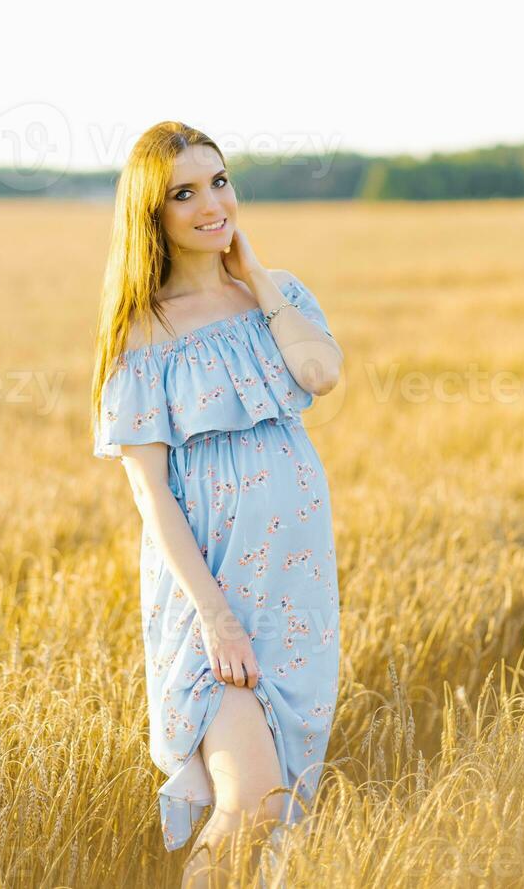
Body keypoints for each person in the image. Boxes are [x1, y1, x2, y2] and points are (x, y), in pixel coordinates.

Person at [91, 121, 343, 887]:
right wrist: (215, 614)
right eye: (185, 192)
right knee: (252, 800)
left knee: (278, 806)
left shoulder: (280, 294)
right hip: (212, 597)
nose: (211, 204)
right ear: (153, 214)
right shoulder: (143, 331)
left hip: (295, 591)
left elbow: (321, 374)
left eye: (220, 181)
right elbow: (150, 489)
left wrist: (256, 275)